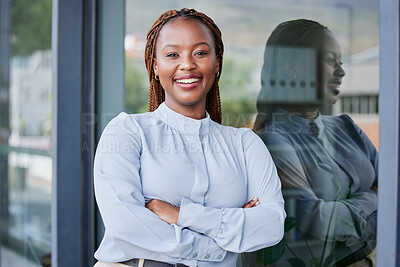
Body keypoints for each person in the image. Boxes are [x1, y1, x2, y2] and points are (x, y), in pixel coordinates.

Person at [93, 8, 286, 267]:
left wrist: (180, 215)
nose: (187, 64)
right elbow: (126, 228)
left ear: (217, 63)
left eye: (200, 53)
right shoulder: (127, 132)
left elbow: (271, 225)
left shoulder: (244, 144)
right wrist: (222, 243)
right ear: (155, 65)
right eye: (172, 54)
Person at [254, 19, 377, 266]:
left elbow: (393, 188)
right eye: (331, 61)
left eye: (340, 63)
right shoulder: (271, 141)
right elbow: (317, 221)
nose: (341, 72)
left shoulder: (347, 127)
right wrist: (373, 198)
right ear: (292, 67)